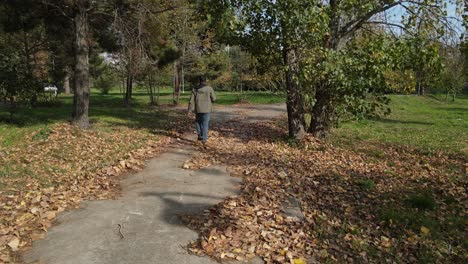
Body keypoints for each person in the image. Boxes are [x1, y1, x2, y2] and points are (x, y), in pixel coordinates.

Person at [188, 76, 216, 147]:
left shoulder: (195, 89)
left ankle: (200, 135)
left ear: (199, 81)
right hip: (207, 109)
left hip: (198, 109)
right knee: (205, 124)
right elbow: (214, 98)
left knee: (198, 122)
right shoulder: (209, 88)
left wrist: (190, 110)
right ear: (205, 80)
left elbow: (191, 100)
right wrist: (210, 100)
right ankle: (204, 139)